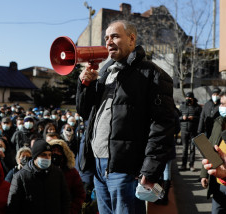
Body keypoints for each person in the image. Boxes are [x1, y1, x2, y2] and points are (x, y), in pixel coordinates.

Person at [76, 20, 175, 214]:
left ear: (132, 39)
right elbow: (84, 112)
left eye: (115, 36)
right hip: (98, 166)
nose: (108, 42)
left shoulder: (152, 74)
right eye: (106, 38)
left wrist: (150, 171)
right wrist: (84, 85)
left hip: (125, 167)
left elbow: (163, 127)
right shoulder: (104, 72)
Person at [7, 139, 70, 214]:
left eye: (49, 155)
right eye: (43, 155)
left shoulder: (57, 173)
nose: (47, 158)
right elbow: (13, 206)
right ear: (35, 156)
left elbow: (65, 199)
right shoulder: (21, 176)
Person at [200, 90, 226, 213]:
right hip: (217, 184)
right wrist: (204, 174)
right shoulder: (218, 122)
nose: (221, 107)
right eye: (221, 103)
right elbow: (209, 148)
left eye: (225, 104)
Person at [49, 139, 86, 214]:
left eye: (59, 151)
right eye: (53, 150)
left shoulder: (72, 172)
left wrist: (71, 210)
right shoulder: (42, 171)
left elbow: (79, 194)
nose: (55, 153)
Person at [179, 92, 202, 171]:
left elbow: (201, 118)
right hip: (184, 130)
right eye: (187, 98)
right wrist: (182, 118)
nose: (188, 99)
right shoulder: (182, 107)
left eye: (190, 98)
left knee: (192, 149)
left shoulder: (197, 107)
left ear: (193, 98)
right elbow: (177, 117)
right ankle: (183, 165)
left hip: (193, 131)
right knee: (184, 148)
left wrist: (194, 118)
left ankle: (191, 165)